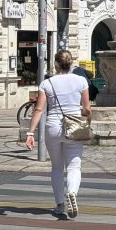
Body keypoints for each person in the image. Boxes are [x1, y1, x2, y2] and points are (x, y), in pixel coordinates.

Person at [25, 50, 91, 219]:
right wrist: (86, 118)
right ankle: (72, 193)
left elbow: (39, 109)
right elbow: (87, 109)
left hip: (53, 126)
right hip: (74, 125)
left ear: (55, 64)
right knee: (74, 166)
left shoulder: (47, 84)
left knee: (56, 167)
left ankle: (60, 204)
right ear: (71, 64)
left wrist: (30, 132)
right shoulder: (81, 81)